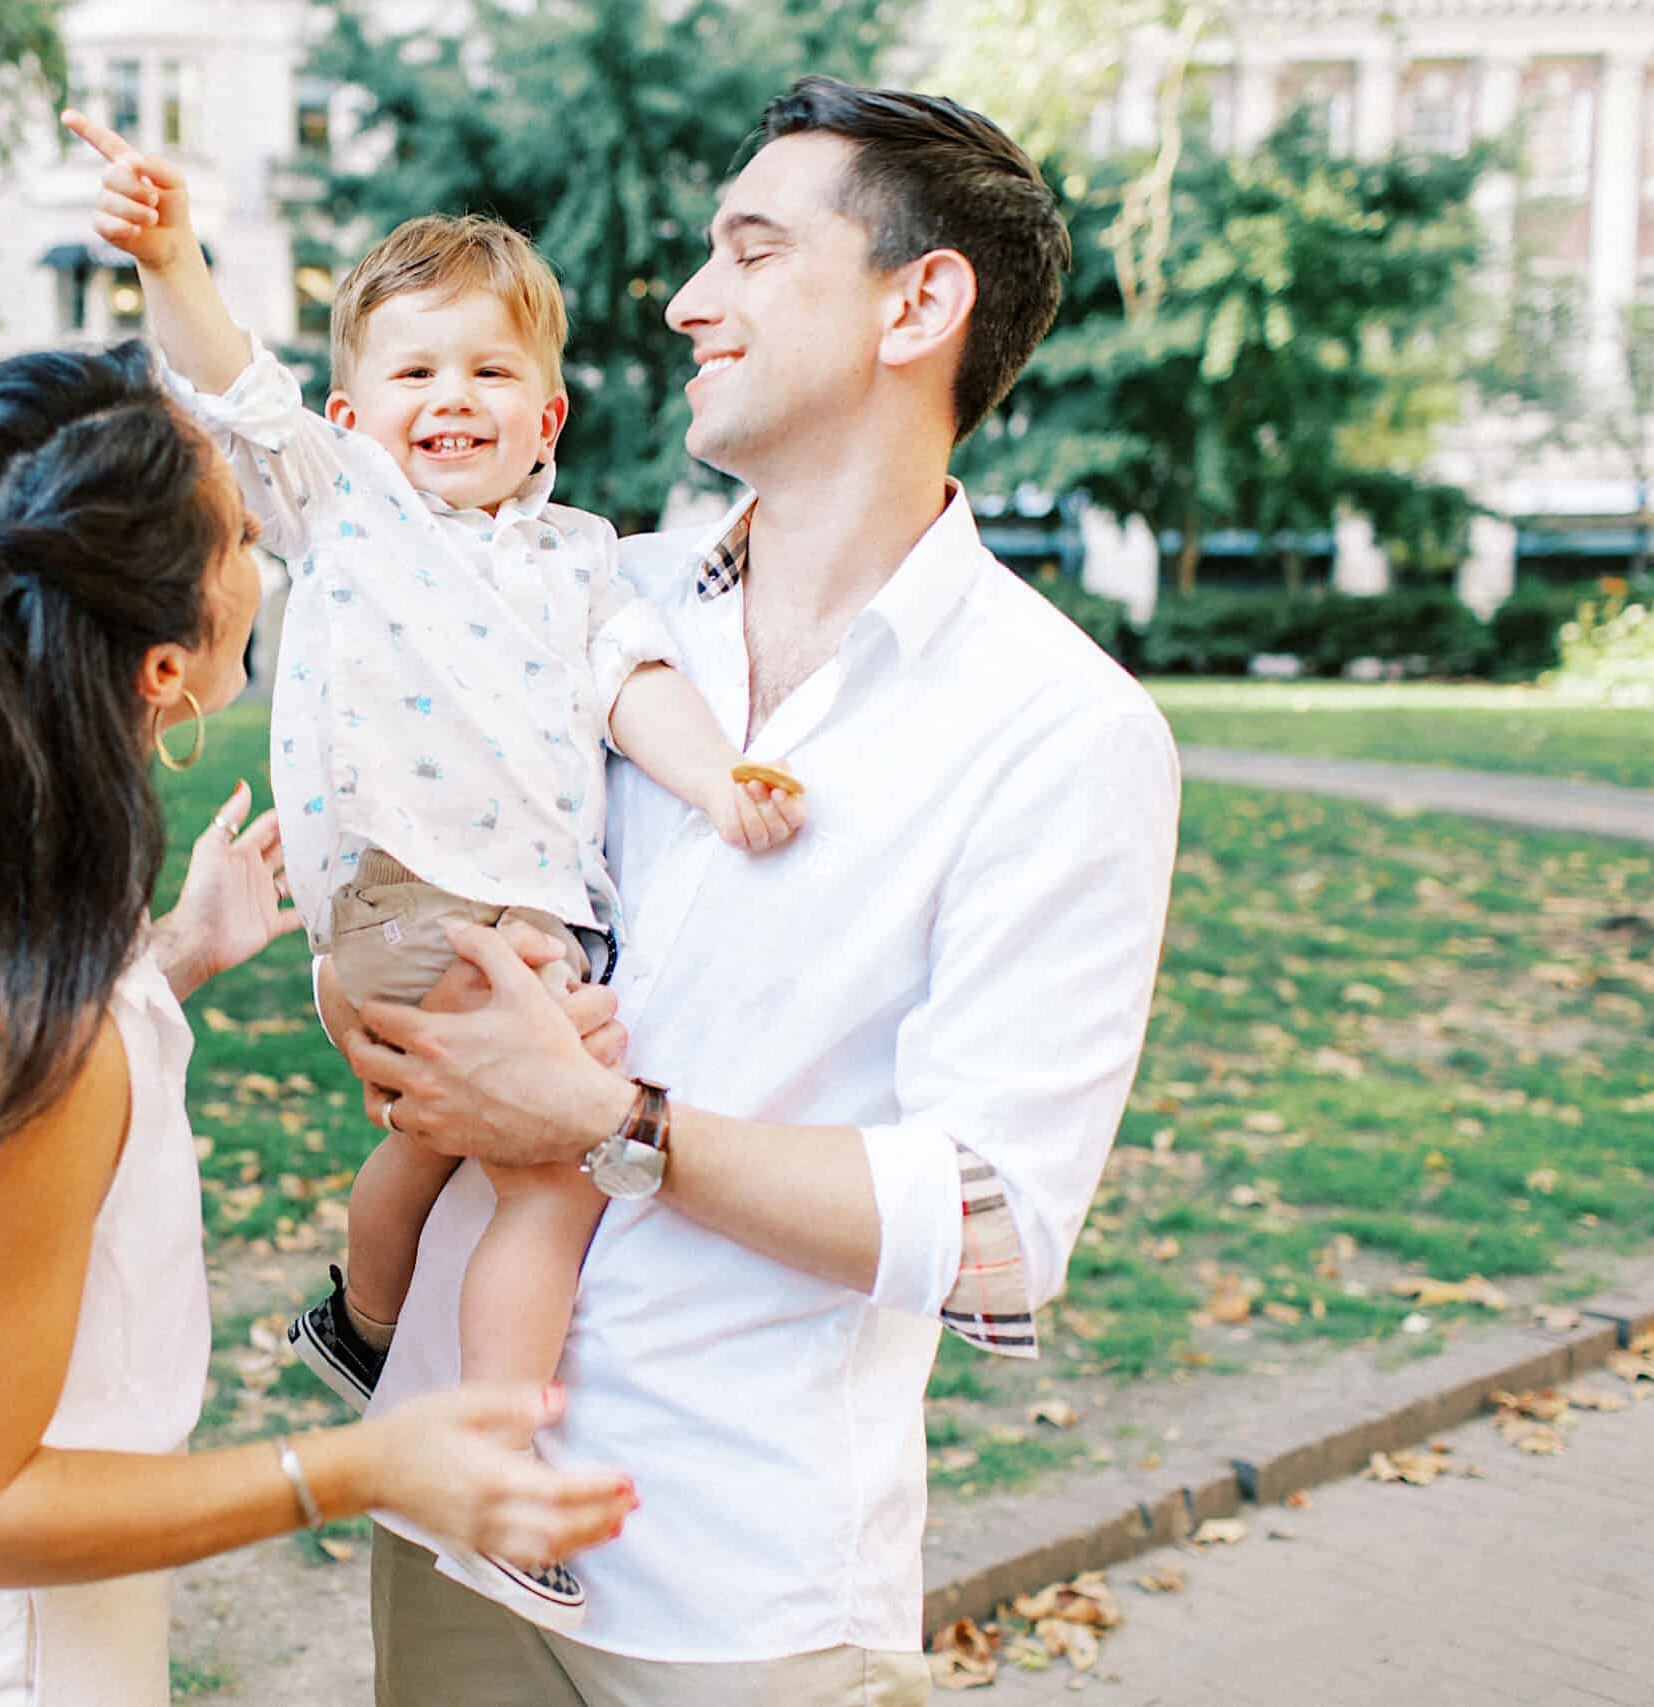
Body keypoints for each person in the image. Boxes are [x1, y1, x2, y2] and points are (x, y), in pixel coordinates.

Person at [335, 79, 1182, 1705]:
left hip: (737, 1588)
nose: (683, 300)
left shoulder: (1063, 730)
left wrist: (608, 1120)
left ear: (917, 302)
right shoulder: (581, 591)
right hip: (447, 1493)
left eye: (751, 250)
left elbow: (993, 1230)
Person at [0, 342, 637, 1706]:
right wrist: (360, 1464)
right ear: (164, 666)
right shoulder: (35, 1035)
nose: (263, 556)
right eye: (240, 533)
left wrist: (170, 958)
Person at [64, 108, 806, 1632]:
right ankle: (498, 1465)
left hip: (521, 915)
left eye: (488, 372)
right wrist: (171, 254)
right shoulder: (350, 511)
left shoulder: (576, 556)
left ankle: (368, 1317)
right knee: (551, 1174)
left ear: (548, 419)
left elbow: (632, 684)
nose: (450, 399)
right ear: (352, 412)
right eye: (413, 373)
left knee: (450, 1133)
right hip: (412, 893)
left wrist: (714, 776)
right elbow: (227, 380)